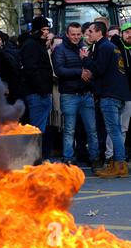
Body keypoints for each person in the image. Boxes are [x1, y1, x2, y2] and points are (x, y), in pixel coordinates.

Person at [81, 21, 131, 178]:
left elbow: (99, 69)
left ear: (99, 32)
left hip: (110, 95)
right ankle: (117, 164)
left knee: (114, 132)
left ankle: (119, 166)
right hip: (119, 94)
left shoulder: (103, 47)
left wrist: (85, 59)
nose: (87, 33)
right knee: (116, 131)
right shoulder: (111, 47)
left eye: (90, 31)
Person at [52, 22, 101, 168]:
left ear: (82, 33)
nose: (76, 37)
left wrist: (88, 71)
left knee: (92, 129)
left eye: (79, 34)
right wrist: (79, 73)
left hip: (86, 95)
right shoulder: (60, 50)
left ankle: (95, 158)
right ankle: (68, 158)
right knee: (69, 130)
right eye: (73, 34)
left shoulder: (85, 48)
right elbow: (59, 70)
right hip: (69, 95)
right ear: (67, 34)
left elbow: (93, 70)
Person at [20, 16, 54, 159]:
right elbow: (31, 69)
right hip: (37, 94)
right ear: (37, 30)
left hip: (40, 93)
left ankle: (36, 158)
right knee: (37, 130)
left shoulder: (36, 44)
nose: (47, 32)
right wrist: (42, 89)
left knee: (39, 129)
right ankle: (35, 159)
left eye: (47, 29)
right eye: (44, 29)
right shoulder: (32, 45)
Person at [104, 22, 131, 165]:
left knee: (123, 129)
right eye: (127, 32)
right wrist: (115, 38)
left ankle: (119, 158)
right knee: (114, 128)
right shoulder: (116, 46)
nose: (130, 35)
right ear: (121, 34)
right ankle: (110, 157)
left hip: (128, 96)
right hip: (117, 94)